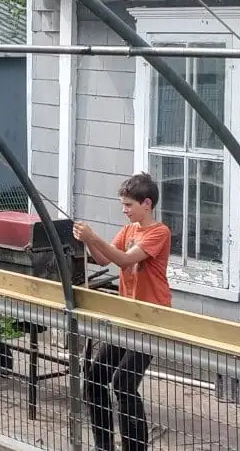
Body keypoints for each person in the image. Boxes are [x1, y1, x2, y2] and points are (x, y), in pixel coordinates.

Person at [73, 172, 171, 451]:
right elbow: (104, 258)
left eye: (128, 205)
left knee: (123, 382)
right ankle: (104, 445)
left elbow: (125, 259)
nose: (124, 210)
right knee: (95, 379)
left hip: (151, 319)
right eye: (123, 205)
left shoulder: (158, 232)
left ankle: (135, 447)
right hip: (127, 317)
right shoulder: (128, 231)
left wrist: (94, 236)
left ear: (147, 204)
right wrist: (87, 239)